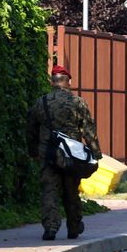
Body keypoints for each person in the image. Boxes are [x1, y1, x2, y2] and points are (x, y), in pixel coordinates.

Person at [25, 64, 100, 241]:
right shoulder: (77, 102)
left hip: (48, 154)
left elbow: (30, 129)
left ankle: (50, 228)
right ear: (69, 81)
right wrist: (95, 153)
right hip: (71, 156)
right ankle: (74, 227)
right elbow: (89, 130)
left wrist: (33, 151)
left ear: (52, 82)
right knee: (71, 190)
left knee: (49, 190)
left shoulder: (41, 102)